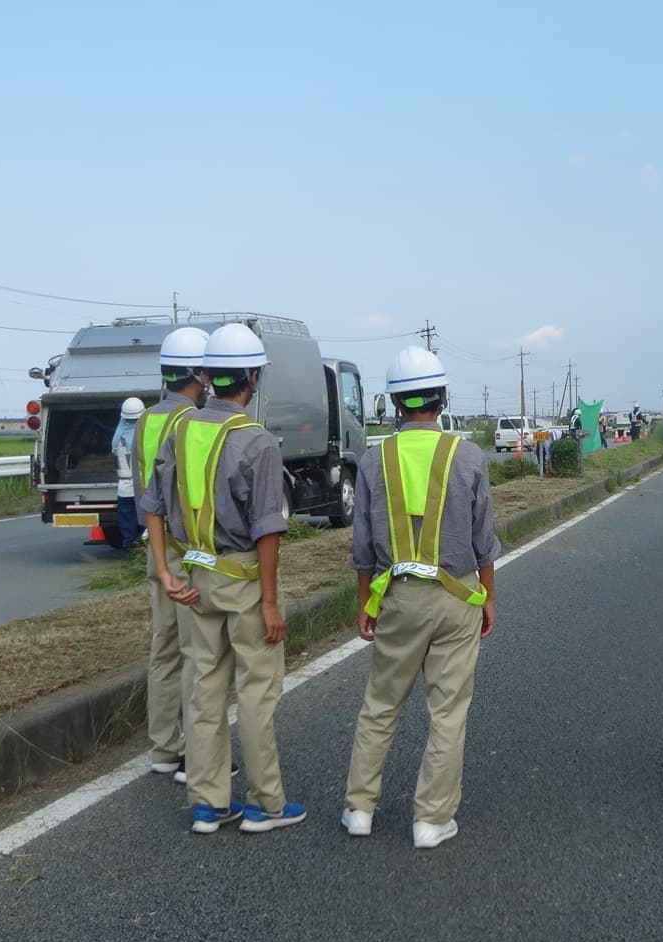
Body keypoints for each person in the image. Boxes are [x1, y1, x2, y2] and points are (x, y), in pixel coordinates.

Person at [142, 322, 305, 835]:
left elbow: (152, 505)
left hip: (195, 578)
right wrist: (270, 601)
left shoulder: (181, 429)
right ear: (253, 378)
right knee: (256, 690)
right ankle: (266, 804)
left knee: (204, 688)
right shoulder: (257, 441)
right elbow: (267, 529)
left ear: (209, 375)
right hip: (243, 580)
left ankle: (207, 803)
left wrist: (164, 570)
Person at [341, 346, 498, 850]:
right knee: (447, 712)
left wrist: (365, 604)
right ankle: (431, 820)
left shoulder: (373, 460)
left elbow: (362, 548)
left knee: (381, 704)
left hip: (398, 596)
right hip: (458, 594)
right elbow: (484, 540)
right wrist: (488, 597)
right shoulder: (468, 456)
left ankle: (359, 809)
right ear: (442, 396)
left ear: (393, 402)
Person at [134, 326, 210, 782]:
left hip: (155, 549)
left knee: (162, 649)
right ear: (200, 375)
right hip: (187, 552)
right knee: (195, 652)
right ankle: (195, 757)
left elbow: (144, 492)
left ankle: (164, 748)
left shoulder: (145, 420)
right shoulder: (193, 423)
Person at [113, 397, 145, 549]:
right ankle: (143, 542)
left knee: (127, 517)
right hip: (142, 484)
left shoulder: (117, 437)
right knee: (146, 517)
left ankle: (129, 543)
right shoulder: (143, 435)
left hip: (125, 485)